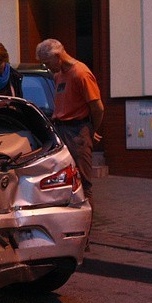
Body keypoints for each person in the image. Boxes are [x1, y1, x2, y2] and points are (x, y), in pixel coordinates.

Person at [35, 38, 104, 202]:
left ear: (57, 56)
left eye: (47, 62)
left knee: (83, 184)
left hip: (77, 132)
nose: (47, 67)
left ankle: (86, 224)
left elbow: (98, 107)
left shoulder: (81, 73)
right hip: (61, 130)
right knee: (64, 180)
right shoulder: (59, 75)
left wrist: (90, 129)